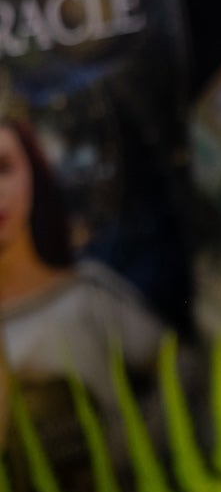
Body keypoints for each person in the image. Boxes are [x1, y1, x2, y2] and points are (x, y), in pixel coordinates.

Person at [0, 107, 167, 409]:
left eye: (3, 168)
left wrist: (136, 436)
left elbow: (179, 366)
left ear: (32, 172)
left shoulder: (87, 295)